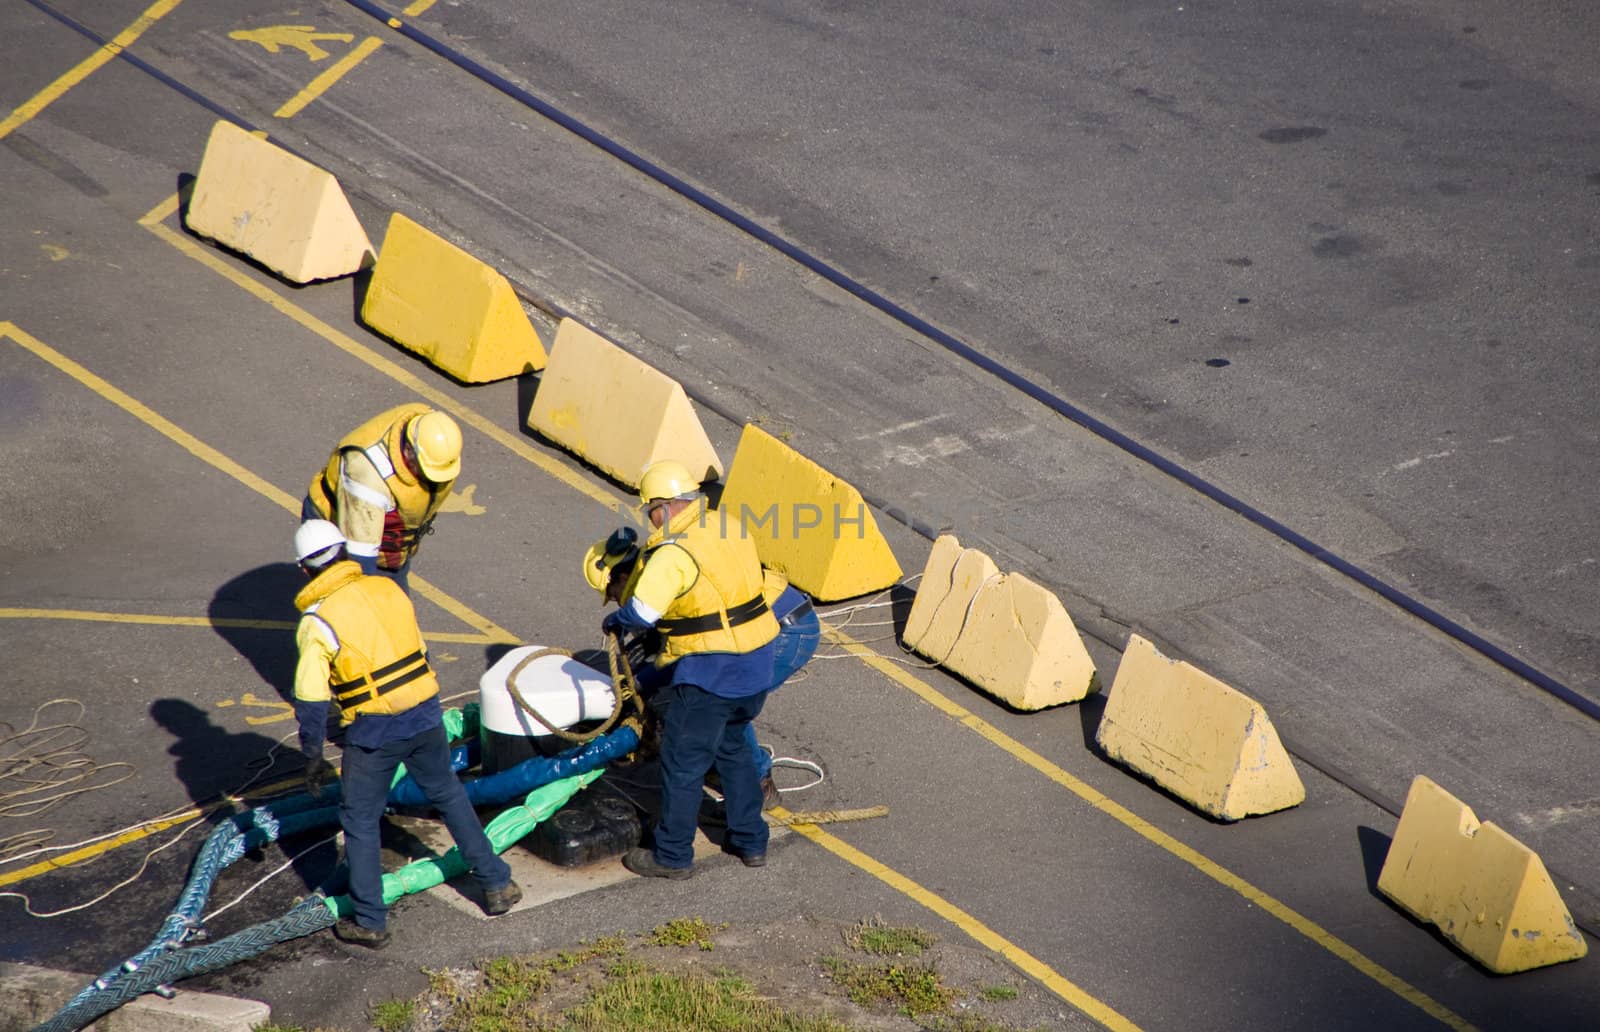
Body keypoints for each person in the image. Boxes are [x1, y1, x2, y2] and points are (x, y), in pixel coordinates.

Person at [291, 519, 520, 947]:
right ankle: (496, 883)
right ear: (343, 553)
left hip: (375, 730)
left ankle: (370, 921)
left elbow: (311, 699)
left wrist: (311, 755)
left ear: (305, 570)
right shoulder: (388, 589)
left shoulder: (317, 621)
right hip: (426, 713)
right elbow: (420, 649)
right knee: (449, 795)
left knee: (360, 819)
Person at [596, 461, 781, 878]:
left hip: (711, 671)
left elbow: (642, 613)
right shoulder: (727, 525)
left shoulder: (673, 551)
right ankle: (751, 841)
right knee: (732, 751)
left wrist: (617, 620)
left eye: (650, 511)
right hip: (756, 665)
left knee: (682, 763)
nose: (650, 520)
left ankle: (673, 854)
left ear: (661, 507)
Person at [582, 529, 820, 808]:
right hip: (781, 617)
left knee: (723, 706)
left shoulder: (662, 586)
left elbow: (684, 655)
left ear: (622, 578)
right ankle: (726, 766)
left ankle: (759, 783)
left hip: (786, 632)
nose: (618, 603)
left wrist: (640, 681)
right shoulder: (660, 565)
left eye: (613, 595)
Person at [302, 404, 462, 594]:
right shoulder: (368, 479)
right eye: (426, 472)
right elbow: (360, 559)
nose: (432, 480)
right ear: (409, 450)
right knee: (347, 608)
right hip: (344, 537)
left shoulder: (429, 432)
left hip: (391, 543)